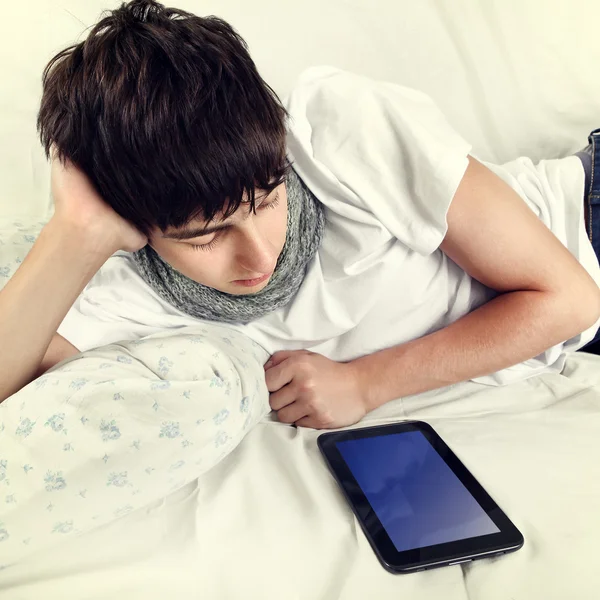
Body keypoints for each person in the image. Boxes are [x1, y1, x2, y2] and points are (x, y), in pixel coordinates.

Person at [0, 0, 599, 430]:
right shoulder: (121, 290)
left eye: (267, 198)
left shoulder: (339, 129)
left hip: (584, 218)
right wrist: (73, 231)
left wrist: (367, 383)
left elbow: (569, 297)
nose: (261, 255)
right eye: (205, 238)